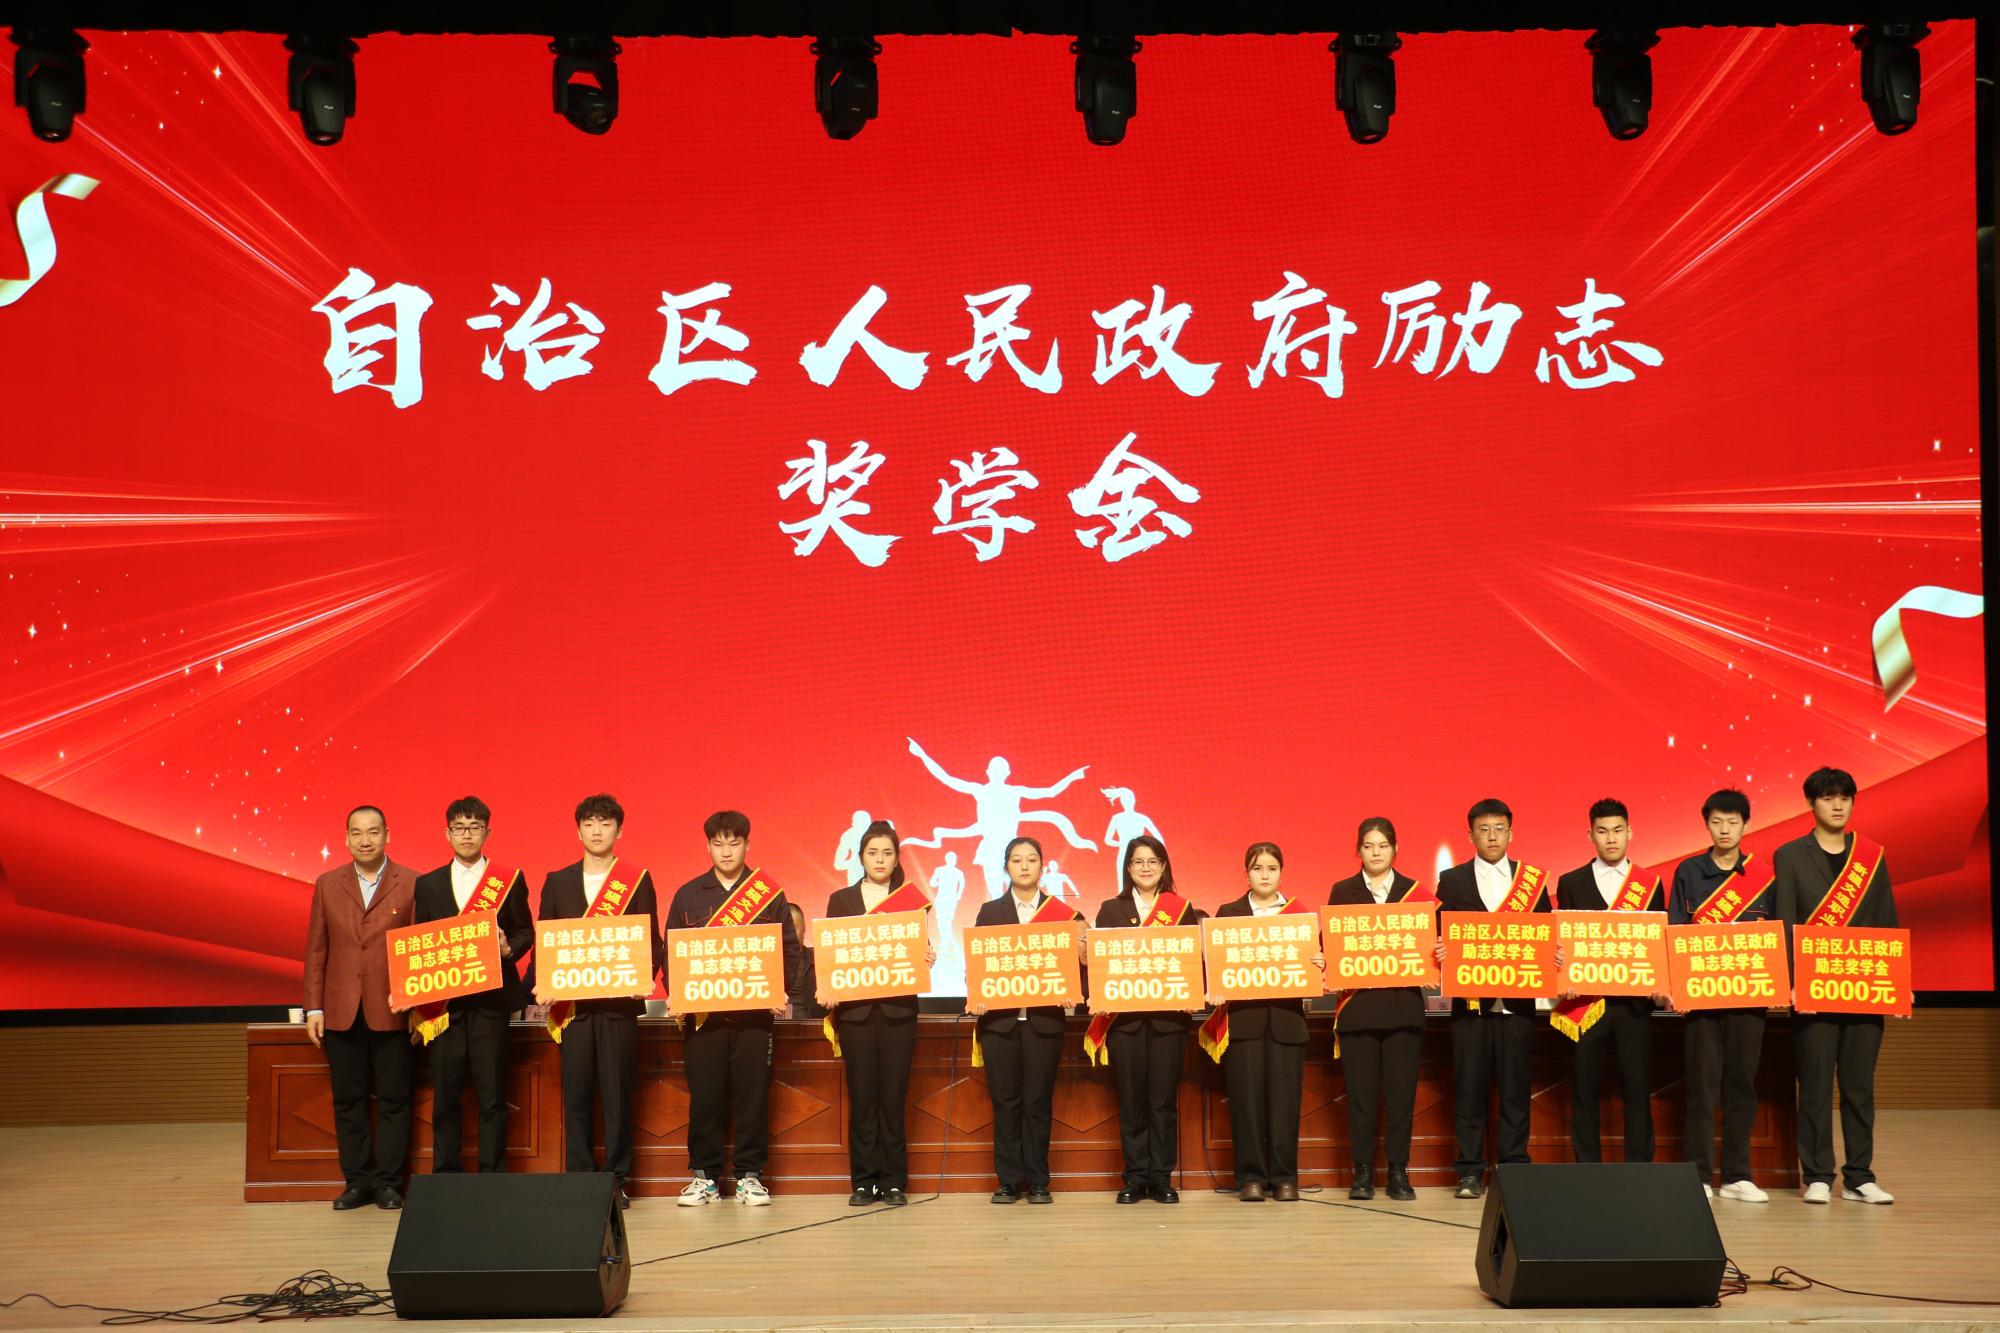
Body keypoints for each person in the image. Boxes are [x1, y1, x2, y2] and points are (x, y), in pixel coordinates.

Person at [1775, 767, 1899, 1206]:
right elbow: (1786, 921)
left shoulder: (1871, 857)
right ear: (1812, 803)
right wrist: (1791, 983)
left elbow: (1886, 920)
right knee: (1813, 1087)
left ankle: (1860, 1176)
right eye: (1828, 797)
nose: (1837, 804)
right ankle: (1818, 1175)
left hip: (1863, 987)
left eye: (1844, 797)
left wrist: (1897, 981)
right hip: (1812, 992)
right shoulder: (1790, 855)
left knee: (1859, 1088)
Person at [666, 810, 803, 1208]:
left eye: (734, 843)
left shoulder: (768, 894)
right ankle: (704, 1177)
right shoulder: (688, 894)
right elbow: (671, 953)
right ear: (708, 847)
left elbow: (790, 950)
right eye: (718, 844)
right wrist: (678, 994)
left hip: (754, 1018)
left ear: (747, 845)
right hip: (703, 1020)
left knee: (752, 1096)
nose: (726, 851)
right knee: (705, 1097)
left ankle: (749, 1176)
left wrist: (780, 991)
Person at [533, 793, 662, 1209]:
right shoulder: (558, 881)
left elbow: (652, 941)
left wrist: (645, 975)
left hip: (618, 1008)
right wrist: (542, 982)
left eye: (605, 824)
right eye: (589, 823)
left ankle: (617, 1179)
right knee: (577, 1096)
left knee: (618, 1096)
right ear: (578, 831)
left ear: (618, 831)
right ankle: (580, 1178)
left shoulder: (636, 880)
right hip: (573, 1009)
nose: (597, 831)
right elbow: (545, 942)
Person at [303, 804, 417, 1211]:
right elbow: (317, 950)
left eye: (373, 832)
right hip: (341, 1010)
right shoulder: (327, 883)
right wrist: (314, 1008)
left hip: (394, 1010)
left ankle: (388, 1183)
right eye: (357, 833)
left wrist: (420, 1008)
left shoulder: (412, 883)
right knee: (348, 1100)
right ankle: (356, 1182)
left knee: (394, 1100)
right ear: (346, 838)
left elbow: (419, 949)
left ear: (387, 835)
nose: (365, 840)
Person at [411, 796, 532, 1174]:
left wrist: (509, 948)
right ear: (447, 833)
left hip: (491, 1004)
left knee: (492, 1095)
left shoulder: (507, 880)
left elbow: (525, 930)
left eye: (475, 827)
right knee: (445, 1096)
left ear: (487, 832)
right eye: (460, 828)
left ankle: (491, 1177)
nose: (467, 835)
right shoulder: (427, 884)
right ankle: (446, 1176)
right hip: (445, 1007)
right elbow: (417, 941)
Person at [1436, 798, 1550, 1199]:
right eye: (1483, 829)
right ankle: (1469, 1171)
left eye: (1499, 828)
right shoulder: (1452, 880)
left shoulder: (1532, 881)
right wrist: (1440, 950)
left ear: (1511, 834)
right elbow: (1437, 933)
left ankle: (1514, 1166)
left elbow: (1545, 934)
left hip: (1517, 1005)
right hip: (1471, 1005)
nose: (1492, 836)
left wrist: (1552, 955)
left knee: (1516, 1089)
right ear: (1470, 835)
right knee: (1469, 1088)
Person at [820, 820, 936, 1205]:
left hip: (898, 1013)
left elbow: (919, 951)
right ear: (861, 857)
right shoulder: (841, 900)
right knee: (863, 1098)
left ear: (897, 858)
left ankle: (894, 1181)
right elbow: (832, 953)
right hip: (855, 1015)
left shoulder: (911, 900)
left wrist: (927, 957)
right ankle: (863, 1180)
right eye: (873, 853)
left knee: (893, 1098)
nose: (880, 859)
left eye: (887, 853)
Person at [1670, 787, 1775, 1203]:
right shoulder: (1688, 871)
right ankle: (1698, 1174)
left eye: (1733, 822)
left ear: (1746, 825)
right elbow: (1676, 931)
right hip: (1701, 998)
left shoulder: (1763, 875)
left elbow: (1777, 932)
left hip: (1748, 998)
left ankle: (1737, 1175)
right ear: (1707, 825)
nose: (1725, 829)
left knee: (1741, 1086)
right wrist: (1676, 986)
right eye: (1717, 822)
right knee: (1702, 1087)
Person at [1090, 833, 1204, 1204]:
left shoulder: (1181, 909)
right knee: (1132, 1101)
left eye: (1152, 861)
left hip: (1169, 1022)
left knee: (1162, 1102)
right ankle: (1136, 1178)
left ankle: (1162, 1177)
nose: (1146, 868)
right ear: (1128, 868)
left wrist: (1194, 991)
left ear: (1163, 866)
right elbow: (1102, 962)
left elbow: (1192, 960)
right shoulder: (1110, 909)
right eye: (1138, 862)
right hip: (1126, 1023)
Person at [972, 835, 1083, 1204]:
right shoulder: (990, 911)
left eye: (1031, 859)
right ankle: (1007, 1180)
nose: (1024, 866)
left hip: (1043, 1022)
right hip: (999, 1024)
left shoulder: (1062, 914)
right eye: (1016, 859)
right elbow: (979, 965)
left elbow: (1076, 967)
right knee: (1005, 1102)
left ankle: (1037, 1180)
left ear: (1042, 866)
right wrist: (978, 995)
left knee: (1037, 1101)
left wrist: (1071, 991)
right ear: (1006, 867)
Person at [1553, 798, 1663, 1165]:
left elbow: (1657, 942)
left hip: (1635, 1005)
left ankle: (1639, 1168)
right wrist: (1563, 973)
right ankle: (1588, 1169)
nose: (1611, 838)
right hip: (1587, 1003)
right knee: (1584, 1088)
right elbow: (1563, 942)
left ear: (1630, 832)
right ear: (1590, 835)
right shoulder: (1571, 882)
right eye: (1602, 831)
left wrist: (1660, 980)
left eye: (1617, 830)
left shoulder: (1650, 884)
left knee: (1637, 1087)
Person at [1211, 842, 1318, 1202]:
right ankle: (1251, 1177)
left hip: (1287, 1022)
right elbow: (1216, 965)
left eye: (1272, 868)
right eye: (1257, 868)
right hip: (1245, 1023)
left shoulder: (1299, 915)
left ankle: (1285, 1177)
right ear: (1247, 874)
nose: (1265, 875)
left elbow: (1314, 964)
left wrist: (1319, 963)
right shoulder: (1228, 913)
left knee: (1285, 1105)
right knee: (1247, 1103)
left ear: (1281, 873)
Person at [1328, 818, 1425, 1201]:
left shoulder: (1415, 894)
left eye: (1383, 845)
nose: (1376, 852)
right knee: (1362, 1099)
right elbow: (1331, 944)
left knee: (1401, 1099)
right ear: (1359, 850)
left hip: (1404, 1011)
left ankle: (1398, 1172)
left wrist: (1437, 955)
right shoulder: (1342, 891)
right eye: (1368, 846)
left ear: (1395, 849)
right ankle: (1363, 1172)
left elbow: (1430, 945)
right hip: (1359, 1012)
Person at [786, 903, 824, 1019]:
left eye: (793, 928)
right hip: (773, 1024)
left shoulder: (819, 961)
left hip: (808, 1024)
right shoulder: (765, 963)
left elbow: (823, 1010)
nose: (788, 934)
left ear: (804, 929)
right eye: (784, 929)